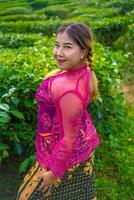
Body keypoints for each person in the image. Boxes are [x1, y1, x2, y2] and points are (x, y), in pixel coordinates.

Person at [16, 22, 100, 200]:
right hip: (80, 144)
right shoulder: (79, 70)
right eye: (57, 45)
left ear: (83, 52)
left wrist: (54, 172)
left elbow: (69, 137)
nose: (58, 53)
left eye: (67, 47)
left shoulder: (68, 89)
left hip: (65, 152)